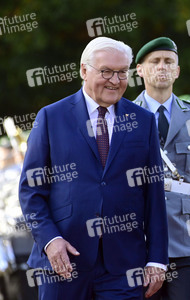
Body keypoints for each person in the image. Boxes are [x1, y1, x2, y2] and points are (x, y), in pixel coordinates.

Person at [18, 37, 168, 300]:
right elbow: (31, 190)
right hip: (63, 261)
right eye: (106, 71)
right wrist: (50, 241)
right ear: (84, 70)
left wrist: (157, 259)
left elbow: (154, 195)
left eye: (122, 72)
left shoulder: (143, 121)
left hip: (124, 266)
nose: (115, 79)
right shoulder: (51, 117)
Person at [133, 37, 190, 300]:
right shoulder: (125, 116)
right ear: (140, 70)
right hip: (139, 237)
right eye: (154, 61)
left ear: (177, 71)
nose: (162, 67)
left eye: (169, 61)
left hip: (186, 236)